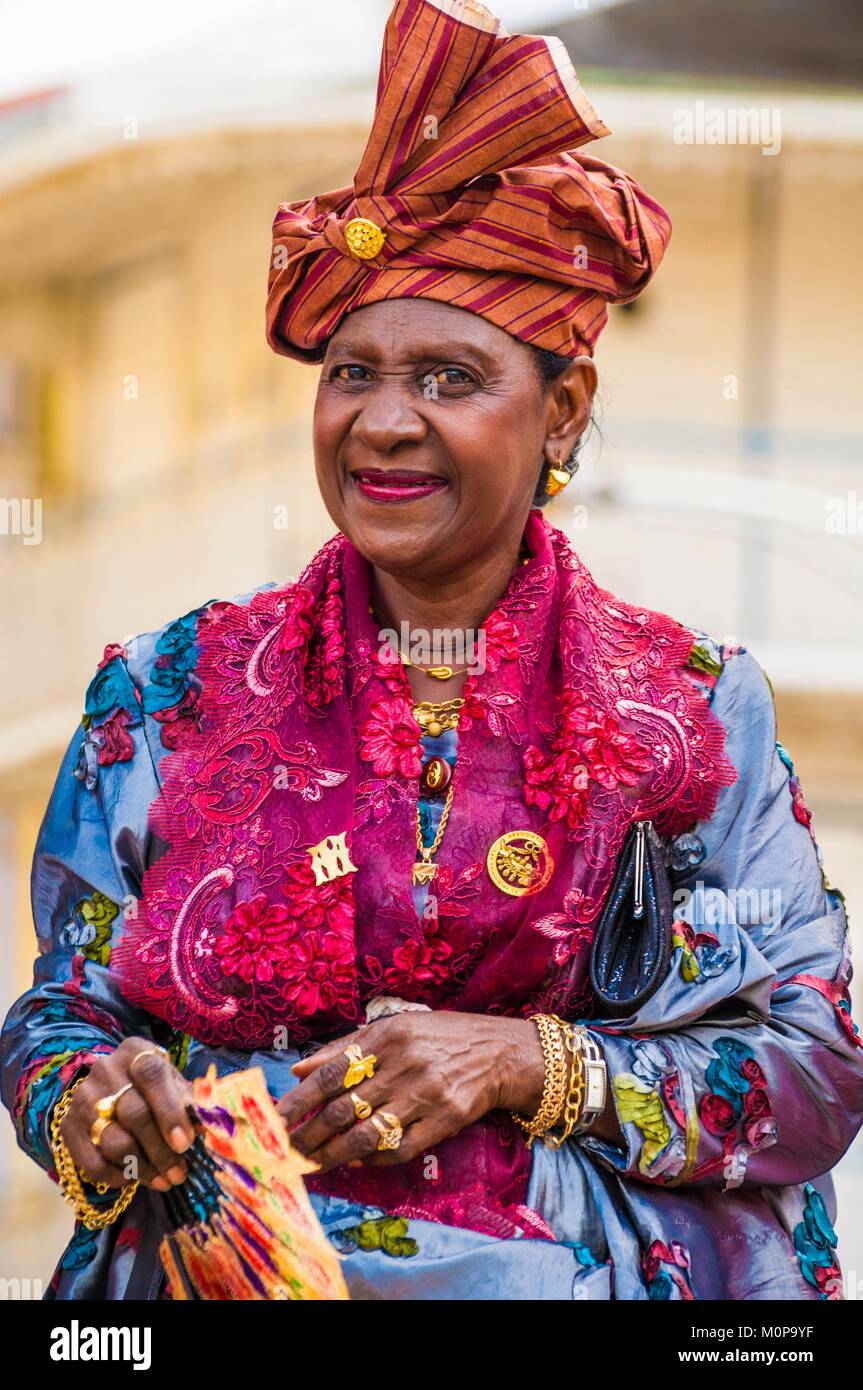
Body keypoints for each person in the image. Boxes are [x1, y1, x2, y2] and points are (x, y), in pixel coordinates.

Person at [2, 0, 861, 1301]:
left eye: (452, 379)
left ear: (563, 411)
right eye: (352, 372)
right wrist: (96, 1100)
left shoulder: (694, 714)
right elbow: (60, 1017)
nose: (384, 423)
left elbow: (813, 1070)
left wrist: (526, 1061)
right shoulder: (166, 691)